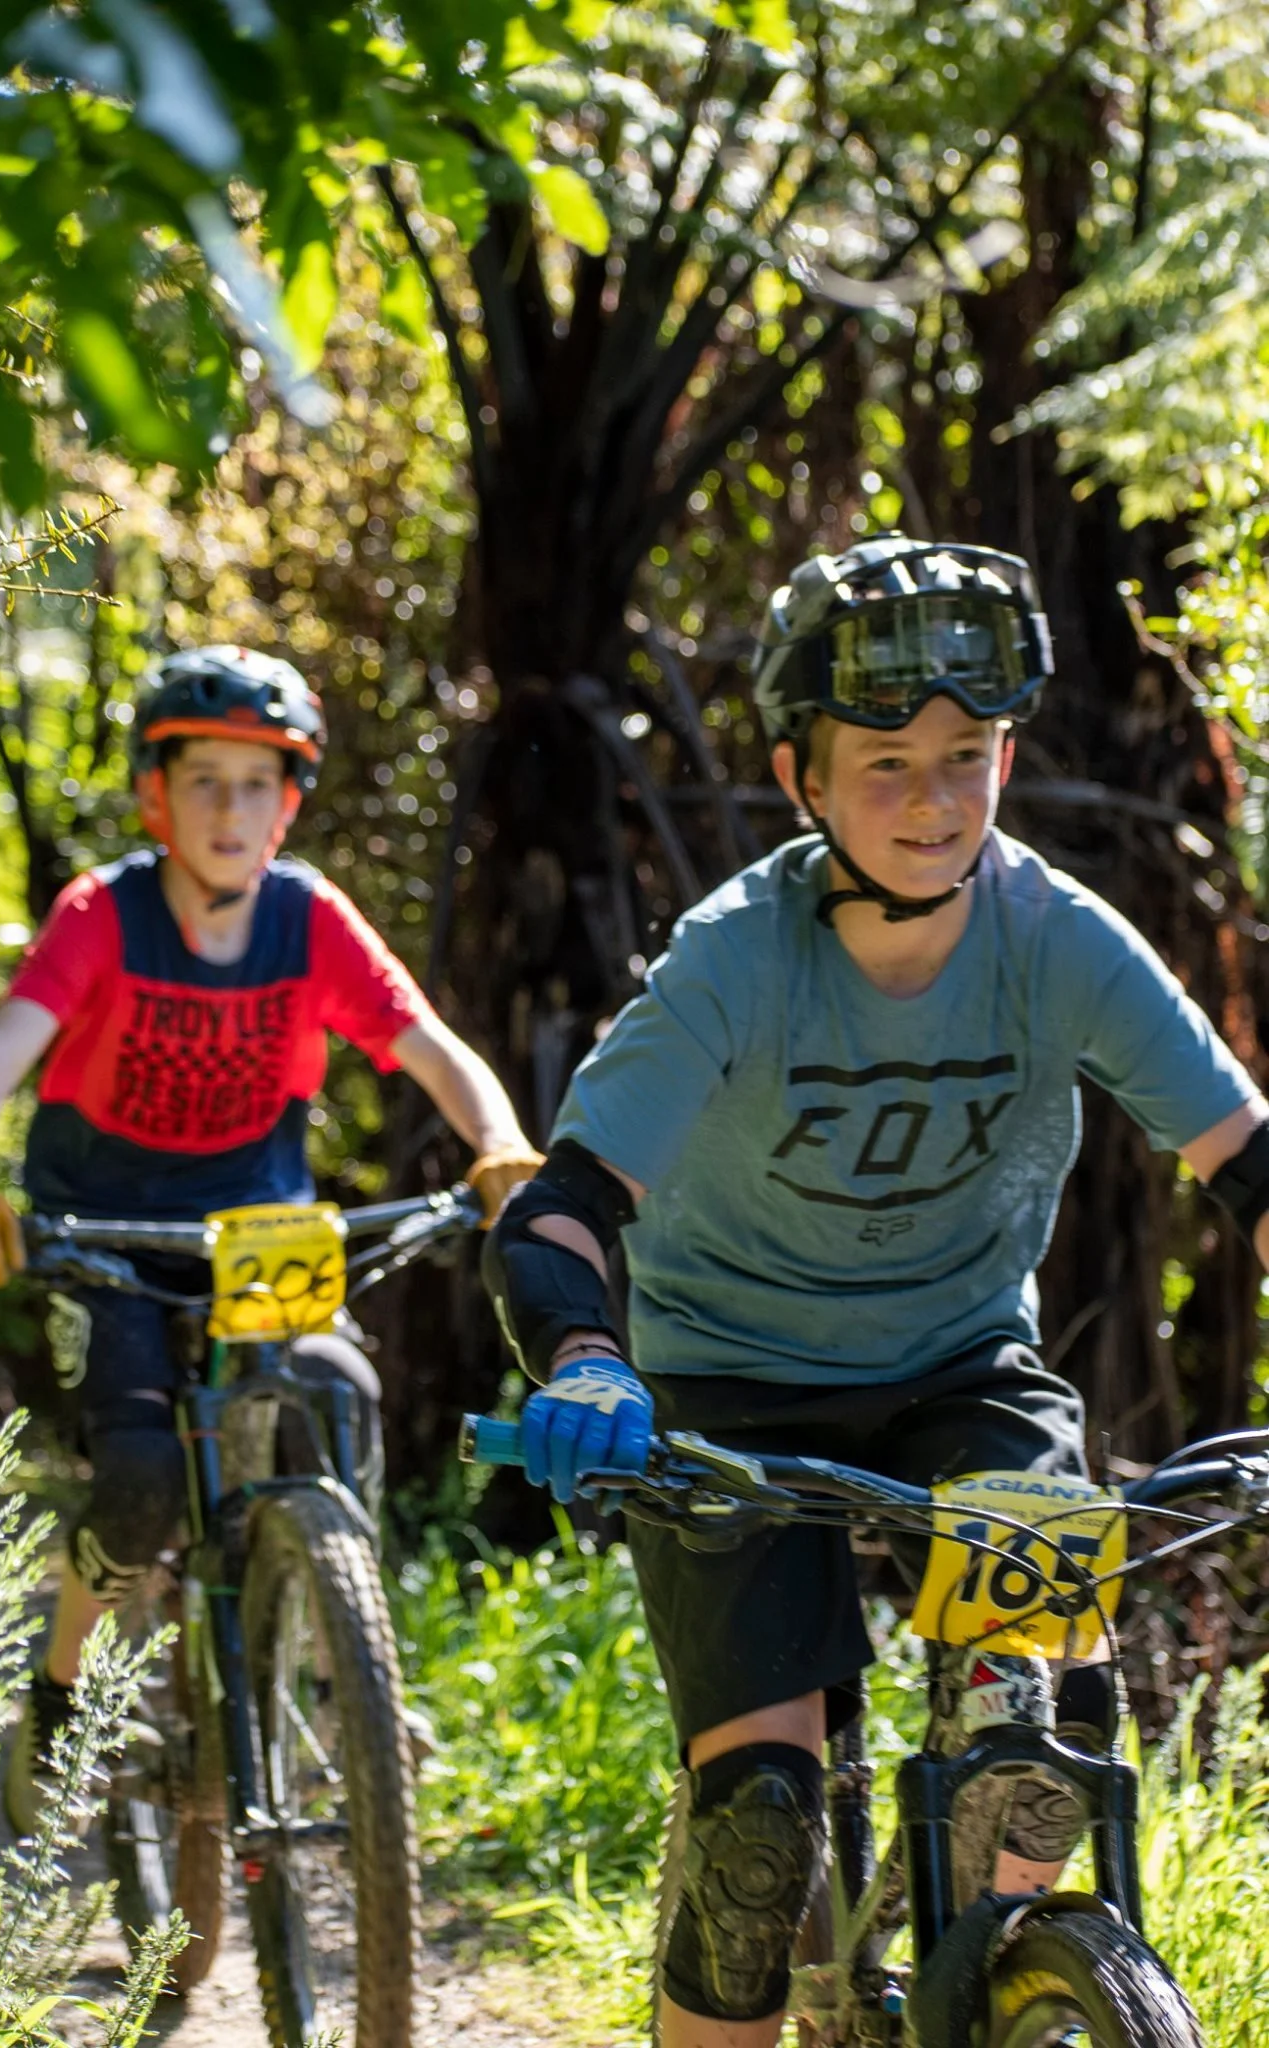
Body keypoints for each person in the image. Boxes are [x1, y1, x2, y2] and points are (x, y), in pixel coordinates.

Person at [483, 536, 1269, 2048]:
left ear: (1008, 754)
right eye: (886, 763)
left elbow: (1245, 1164)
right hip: (723, 1389)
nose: (931, 800)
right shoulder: (734, 958)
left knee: (1033, 1730)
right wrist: (586, 1362)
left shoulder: (1058, 939)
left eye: (965, 758)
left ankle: (1012, 1972)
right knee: (758, 1831)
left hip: (963, 1369)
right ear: (800, 777)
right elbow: (566, 1208)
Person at [0, 644, 541, 1834]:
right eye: (203, 781)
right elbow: (5, 1045)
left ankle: (342, 1669)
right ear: (155, 797)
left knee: (336, 1388)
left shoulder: (308, 917)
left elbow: (426, 1045)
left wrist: (502, 1137)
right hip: (99, 1227)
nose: (230, 809)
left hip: (253, 1225)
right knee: (145, 1477)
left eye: (256, 784)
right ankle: (62, 1691)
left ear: (289, 801)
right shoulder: (105, 911)